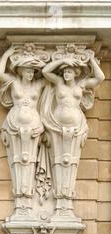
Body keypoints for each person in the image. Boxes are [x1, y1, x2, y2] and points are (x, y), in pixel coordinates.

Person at [41, 53, 105, 217]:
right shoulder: (59, 82)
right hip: (56, 126)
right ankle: (59, 199)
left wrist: (90, 59)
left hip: (76, 126)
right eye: (65, 71)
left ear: (76, 73)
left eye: (69, 71)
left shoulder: (81, 84)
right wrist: (63, 61)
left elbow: (100, 77)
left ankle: (66, 200)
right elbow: (46, 72)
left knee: (70, 161)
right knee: (58, 160)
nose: (66, 74)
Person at [0, 46, 46, 216]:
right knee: (17, 160)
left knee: (29, 160)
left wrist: (39, 59)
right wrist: (8, 54)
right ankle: (20, 197)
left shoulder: (39, 84)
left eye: (33, 71)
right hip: (14, 124)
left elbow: (51, 74)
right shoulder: (14, 82)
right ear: (21, 71)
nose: (30, 74)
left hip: (33, 124)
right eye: (27, 71)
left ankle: (28, 196)